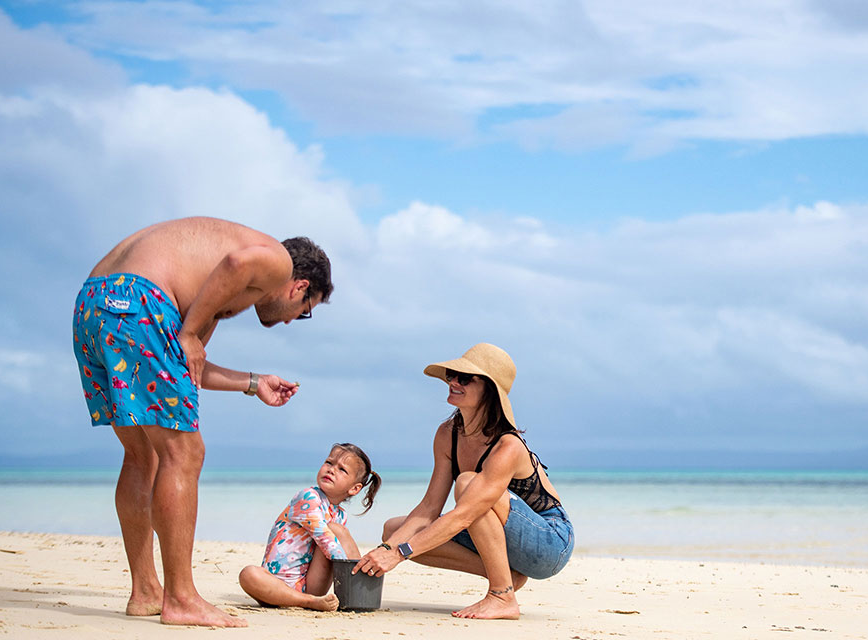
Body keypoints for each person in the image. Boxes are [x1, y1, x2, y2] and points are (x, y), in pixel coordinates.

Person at [71, 217, 333, 628]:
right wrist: (191, 331)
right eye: (304, 312)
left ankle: (145, 593)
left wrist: (252, 382)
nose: (288, 322)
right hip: (140, 301)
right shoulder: (277, 262)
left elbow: (181, 363)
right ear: (299, 287)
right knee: (185, 452)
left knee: (143, 455)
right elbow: (235, 263)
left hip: (94, 305)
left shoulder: (203, 289)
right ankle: (181, 598)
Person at [354, 343, 574, 620]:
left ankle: (502, 595)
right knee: (393, 529)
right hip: (494, 532)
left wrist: (400, 554)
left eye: (465, 378)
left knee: (468, 484)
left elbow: (465, 514)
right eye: (451, 374)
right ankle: (507, 575)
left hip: (549, 542)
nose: (453, 382)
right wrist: (386, 549)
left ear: (490, 390)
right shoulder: (448, 434)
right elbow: (428, 508)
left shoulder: (507, 445)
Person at [239, 443, 381, 610]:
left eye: (342, 469)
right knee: (248, 574)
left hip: (311, 587)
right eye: (329, 462)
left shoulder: (340, 515)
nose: (331, 470)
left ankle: (359, 589)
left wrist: (353, 568)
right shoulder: (307, 497)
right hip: (275, 586)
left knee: (338, 532)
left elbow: (333, 548)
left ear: (354, 488)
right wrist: (346, 565)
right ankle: (310, 601)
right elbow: (324, 538)